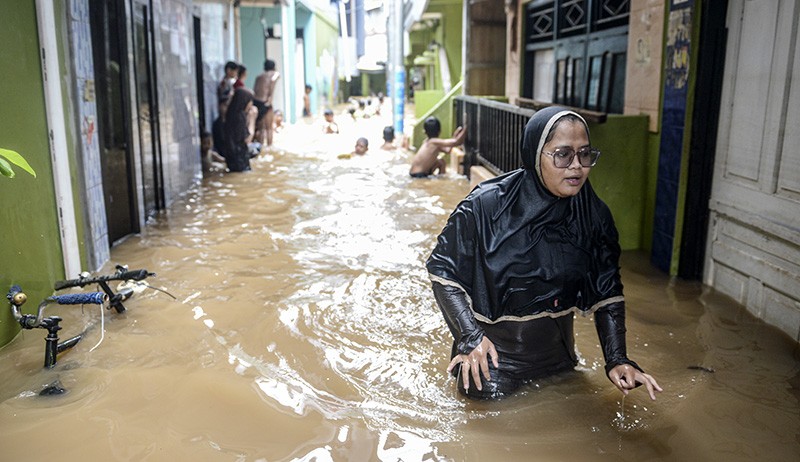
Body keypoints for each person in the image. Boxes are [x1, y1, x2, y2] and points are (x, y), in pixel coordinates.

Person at [426, 106, 662, 400]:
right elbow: (443, 273)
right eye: (563, 154)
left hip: (558, 359)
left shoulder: (593, 215)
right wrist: (469, 337)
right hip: (492, 364)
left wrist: (617, 359)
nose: (576, 166)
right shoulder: (485, 207)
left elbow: (607, 292)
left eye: (585, 154)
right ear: (535, 153)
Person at [220, 88, 255, 172]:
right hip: (240, 158)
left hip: (231, 157)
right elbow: (247, 139)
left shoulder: (230, 114)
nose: (251, 104)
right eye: (250, 101)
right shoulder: (240, 116)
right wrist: (252, 119)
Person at [253, 59, 280, 147]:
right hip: (266, 101)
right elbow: (273, 81)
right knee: (269, 129)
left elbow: (255, 90)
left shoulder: (259, 77)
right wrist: (270, 97)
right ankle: (269, 148)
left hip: (256, 102)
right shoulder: (274, 74)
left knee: (261, 129)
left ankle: (259, 148)